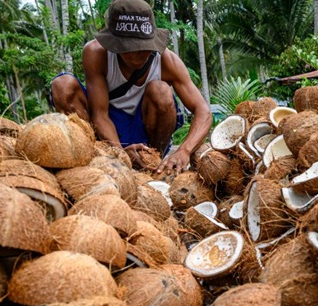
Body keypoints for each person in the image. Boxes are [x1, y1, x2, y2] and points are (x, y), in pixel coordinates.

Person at [50, 0, 211, 176]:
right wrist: (120, 153)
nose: (139, 54)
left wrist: (184, 151)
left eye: (145, 47)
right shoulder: (96, 54)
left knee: (161, 91)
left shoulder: (166, 61)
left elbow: (203, 111)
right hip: (107, 132)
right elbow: (100, 115)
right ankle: (92, 158)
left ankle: (154, 165)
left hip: (146, 129)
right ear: (114, 43)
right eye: (131, 48)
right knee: (62, 85)